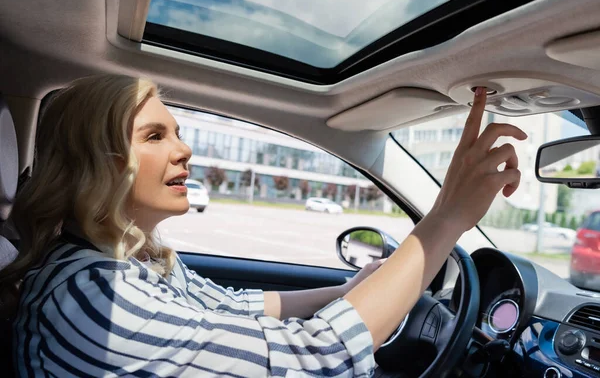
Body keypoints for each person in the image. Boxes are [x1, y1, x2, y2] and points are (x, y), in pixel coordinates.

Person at [0, 75, 526, 377]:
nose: (184, 149)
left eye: (177, 132)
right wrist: (449, 217)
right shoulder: (93, 296)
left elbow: (230, 306)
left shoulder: (129, 259)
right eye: (155, 135)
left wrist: (347, 290)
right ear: (97, 160)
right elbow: (317, 359)